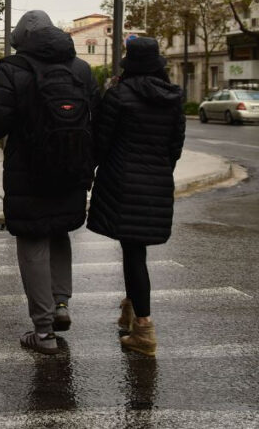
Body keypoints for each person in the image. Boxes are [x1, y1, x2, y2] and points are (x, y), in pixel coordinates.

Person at [0, 11, 100, 354]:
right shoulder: (80, 68)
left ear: (20, 37)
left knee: (33, 240)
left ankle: (44, 331)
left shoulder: (12, 68)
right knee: (60, 230)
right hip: (72, 169)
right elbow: (98, 119)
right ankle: (61, 303)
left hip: (29, 173)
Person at [87, 37, 185, 357]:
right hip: (156, 184)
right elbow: (175, 149)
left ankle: (143, 328)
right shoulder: (173, 99)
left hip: (122, 184)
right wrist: (157, 172)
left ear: (129, 63)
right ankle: (130, 310)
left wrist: (92, 171)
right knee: (135, 250)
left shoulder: (119, 95)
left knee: (133, 253)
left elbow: (100, 143)